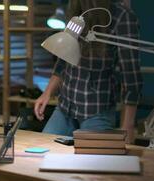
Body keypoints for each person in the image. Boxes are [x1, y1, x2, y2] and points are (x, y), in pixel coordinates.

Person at [34, 0, 143, 144]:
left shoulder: (122, 17)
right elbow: (63, 58)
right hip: (65, 107)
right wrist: (47, 92)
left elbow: (131, 77)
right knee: (43, 152)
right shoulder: (76, 10)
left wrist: (127, 126)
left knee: (92, 162)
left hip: (96, 111)